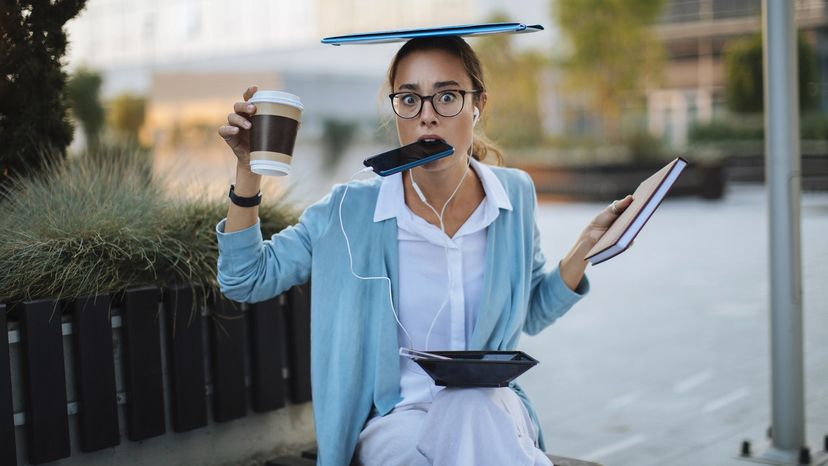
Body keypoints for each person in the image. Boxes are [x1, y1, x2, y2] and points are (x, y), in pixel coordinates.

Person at [215, 36, 632, 466]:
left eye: (447, 97)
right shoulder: (350, 210)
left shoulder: (515, 197)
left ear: (478, 105)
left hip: (492, 409)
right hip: (398, 420)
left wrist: (584, 249)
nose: (427, 117)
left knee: (472, 406)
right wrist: (247, 174)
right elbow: (244, 279)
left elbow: (533, 310)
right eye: (410, 100)